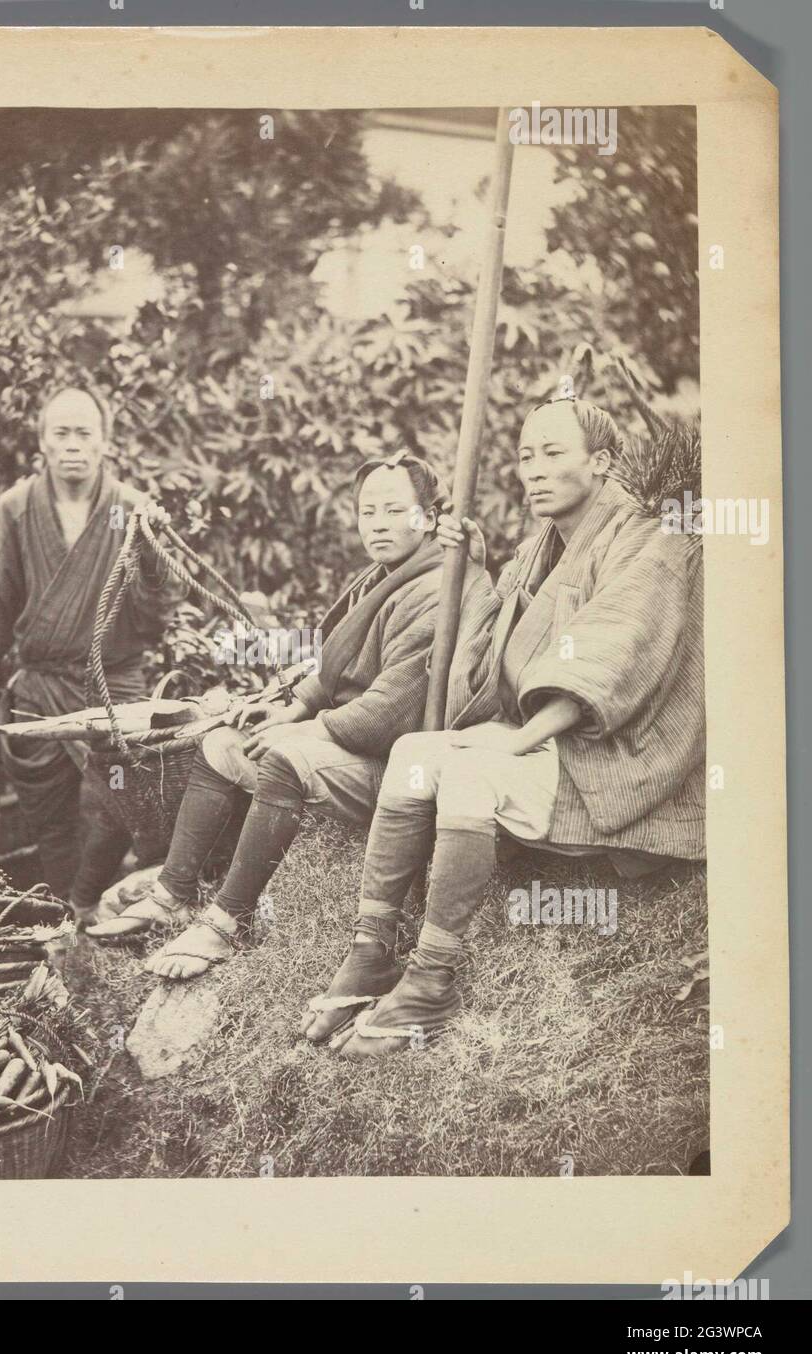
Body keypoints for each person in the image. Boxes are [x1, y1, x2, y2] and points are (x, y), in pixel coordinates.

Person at [301, 396, 705, 1059]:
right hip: (555, 739)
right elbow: (492, 658)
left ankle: (432, 981)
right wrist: (480, 569)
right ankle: (369, 954)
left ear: (601, 462)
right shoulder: (541, 545)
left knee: (468, 767)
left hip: (615, 753)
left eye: (552, 453)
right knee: (411, 751)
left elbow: (614, 653)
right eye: (524, 456)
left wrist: (516, 739)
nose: (533, 470)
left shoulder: (650, 537)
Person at [86, 451, 449, 983]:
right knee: (224, 744)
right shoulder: (383, 577)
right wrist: (290, 706)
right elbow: (331, 671)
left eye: (395, 511)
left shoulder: (438, 590)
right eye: (368, 512)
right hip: (348, 739)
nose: (378, 524)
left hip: (394, 764)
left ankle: (228, 920)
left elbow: (389, 714)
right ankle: (174, 892)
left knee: (281, 754)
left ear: (431, 518)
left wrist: (301, 727)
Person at [0, 384, 180, 918]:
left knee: (122, 801)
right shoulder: (14, 510)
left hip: (114, 681)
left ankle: (92, 899)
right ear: (43, 443)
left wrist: (154, 556)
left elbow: (156, 613)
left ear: (104, 443)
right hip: (41, 682)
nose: (73, 444)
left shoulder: (130, 509)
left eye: (85, 433)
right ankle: (65, 917)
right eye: (61, 433)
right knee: (48, 814)